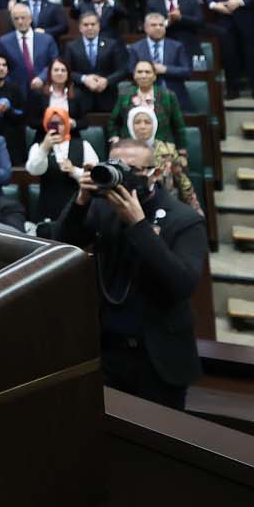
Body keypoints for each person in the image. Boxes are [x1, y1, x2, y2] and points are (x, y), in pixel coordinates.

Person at [48, 139, 205, 408]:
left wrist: (138, 225)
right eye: (114, 166)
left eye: (131, 168)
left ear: (154, 173)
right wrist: (81, 200)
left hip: (158, 358)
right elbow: (61, 244)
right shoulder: (101, 207)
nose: (121, 174)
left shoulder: (184, 219)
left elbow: (182, 285)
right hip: (107, 352)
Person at [25, 107, 98, 227]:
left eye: (61, 123)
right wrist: (44, 148)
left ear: (67, 124)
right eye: (52, 123)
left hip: (78, 206)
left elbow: (95, 177)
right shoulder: (38, 147)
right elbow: (33, 170)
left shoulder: (83, 145)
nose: (57, 127)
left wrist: (74, 170)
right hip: (48, 207)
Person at [108, 59, 185, 144]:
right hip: (131, 146)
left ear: (155, 76)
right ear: (134, 75)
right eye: (139, 72)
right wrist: (114, 136)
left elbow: (179, 126)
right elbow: (113, 122)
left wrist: (182, 148)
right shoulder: (125, 95)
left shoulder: (168, 96)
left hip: (161, 147)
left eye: (147, 72)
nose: (143, 75)